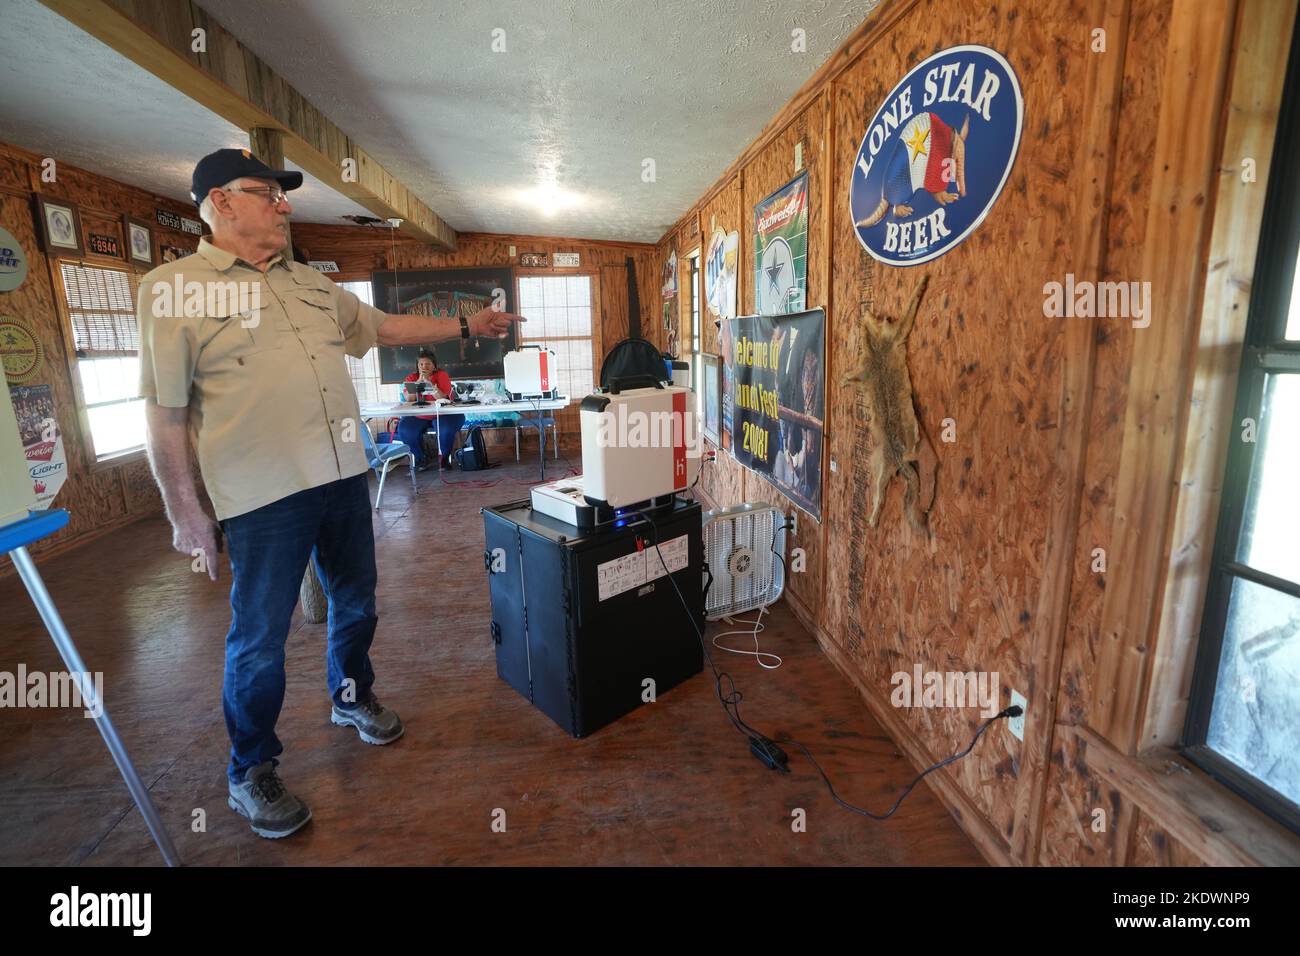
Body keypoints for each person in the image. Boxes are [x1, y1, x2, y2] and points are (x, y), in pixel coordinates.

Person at [137, 148, 524, 839]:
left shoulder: (310, 284)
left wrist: (469, 325)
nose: (284, 205)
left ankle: (352, 695)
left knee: (357, 602)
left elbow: (384, 329)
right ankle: (250, 769)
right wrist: (184, 513)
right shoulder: (175, 289)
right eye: (268, 194)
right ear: (221, 202)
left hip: (343, 475)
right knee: (259, 638)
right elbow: (165, 414)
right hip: (261, 497)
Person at [396, 350, 464, 469]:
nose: (424, 367)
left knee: (446, 430)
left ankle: (445, 458)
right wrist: (418, 383)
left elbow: (442, 398)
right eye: (421, 364)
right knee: (405, 430)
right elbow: (409, 399)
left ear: (434, 366)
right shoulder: (412, 377)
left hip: (443, 414)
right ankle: (420, 458)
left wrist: (430, 384)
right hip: (420, 415)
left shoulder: (441, 375)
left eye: (427, 364)